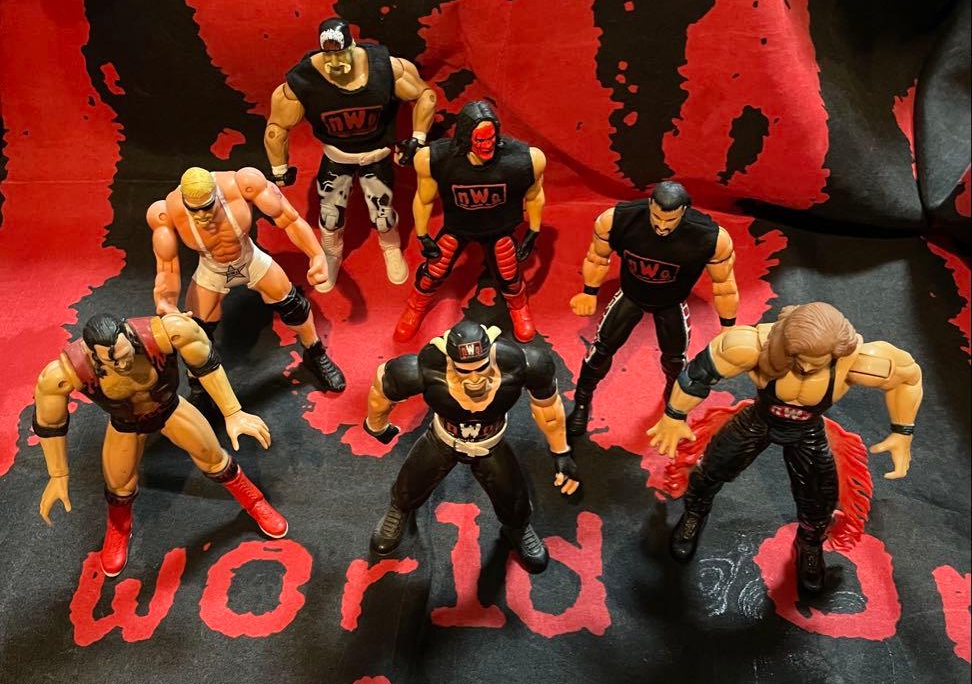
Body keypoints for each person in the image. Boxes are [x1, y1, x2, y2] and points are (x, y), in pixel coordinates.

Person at [647, 302, 922, 595]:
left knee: (819, 498)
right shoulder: (750, 345)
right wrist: (674, 416)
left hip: (806, 430)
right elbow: (697, 375)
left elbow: (908, 378)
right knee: (711, 469)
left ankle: (810, 542)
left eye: (816, 362)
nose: (806, 368)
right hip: (759, 419)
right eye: (799, 359)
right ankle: (695, 513)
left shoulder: (859, 361)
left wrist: (902, 432)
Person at [33, 311, 283, 577]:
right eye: (112, 361)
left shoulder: (165, 334)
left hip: (169, 409)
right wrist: (58, 474)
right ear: (93, 354)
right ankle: (119, 529)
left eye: (125, 354)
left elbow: (206, 364)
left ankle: (254, 501)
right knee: (119, 485)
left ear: (128, 335)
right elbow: (50, 423)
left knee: (213, 459)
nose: (123, 365)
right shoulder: (67, 372)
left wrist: (233, 412)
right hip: (126, 423)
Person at [363, 320, 581, 573]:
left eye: (481, 368)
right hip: (444, 438)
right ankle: (400, 510)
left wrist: (561, 451)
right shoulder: (424, 370)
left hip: (490, 443)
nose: (475, 379)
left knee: (513, 497)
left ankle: (517, 528)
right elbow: (381, 391)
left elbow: (548, 409)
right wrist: (376, 425)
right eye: (465, 372)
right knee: (411, 483)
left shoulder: (523, 364)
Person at [266, 17, 436, 291]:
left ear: (353, 46)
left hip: (376, 153)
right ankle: (331, 252)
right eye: (328, 56)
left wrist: (418, 138)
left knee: (382, 211)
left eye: (341, 54)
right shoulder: (303, 80)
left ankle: (390, 245)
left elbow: (425, 96)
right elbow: (276, 128)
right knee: (330, 213)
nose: (335, 63)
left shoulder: (386, 67)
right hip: (337, 156)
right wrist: (279, 168)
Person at [147, 166, 345, 393]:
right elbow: (167, 266)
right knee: (195, 331)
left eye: (207, 206)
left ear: (216, 194)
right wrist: (166, 301)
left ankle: (315, 353)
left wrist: (316, 254)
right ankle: (198, 382)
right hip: (212, 268)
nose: (202, 216)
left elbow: (289, 219)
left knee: (294, 306)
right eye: (195, 210)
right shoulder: (166, 212)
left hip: (248, 258)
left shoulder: (243, 185)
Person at [567, 181, 738, 438]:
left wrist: (727, 328)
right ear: (650, 205)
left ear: (683, 211)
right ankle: (582, 400)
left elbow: (724, 285)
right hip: (631, 295)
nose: (662, 226)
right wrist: (589, 292)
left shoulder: (710, 238)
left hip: (671, 302)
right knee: (600, 350)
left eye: (670, 220)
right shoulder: (617, 219)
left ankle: (674, 404)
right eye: (656, 217)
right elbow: (597, 257)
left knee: (676, 361)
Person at [395, 99, 546, 344]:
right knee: (433, 271)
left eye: (491, 138)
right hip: (458, 227)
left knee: (509, 273)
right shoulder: (434, 158)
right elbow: (423, 199)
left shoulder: (524, 159)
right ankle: (415, 305)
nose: (487, 145)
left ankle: (519, 306)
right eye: (480, 140)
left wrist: (533, 232)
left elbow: (535, 195)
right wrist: (423, 236)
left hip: (499, 228)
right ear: (466, 138)